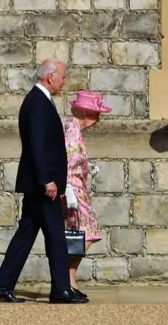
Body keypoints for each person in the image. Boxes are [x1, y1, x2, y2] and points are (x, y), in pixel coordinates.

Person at [0, 59, 87, 304]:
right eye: (62, 77)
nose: (64, 82)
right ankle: (61, 288)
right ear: (50, 76)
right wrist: (47, 181)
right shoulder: (38, 102)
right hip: (43, 185)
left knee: (26, 234)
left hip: (39, 183)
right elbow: (37, 145)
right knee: (55, 235)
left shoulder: (40, 100)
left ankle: (1, 285)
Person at [62, 91, 112, 297]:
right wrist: (69, 188)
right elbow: (68, 161)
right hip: (72, 188)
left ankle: (69, 281)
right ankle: (65, 278)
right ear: (84, 113)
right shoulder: (72, 131)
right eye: (96, 115)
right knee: (86, 233)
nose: (98, 120)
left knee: (80, 234)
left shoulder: (71, 128)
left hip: (77, 187)